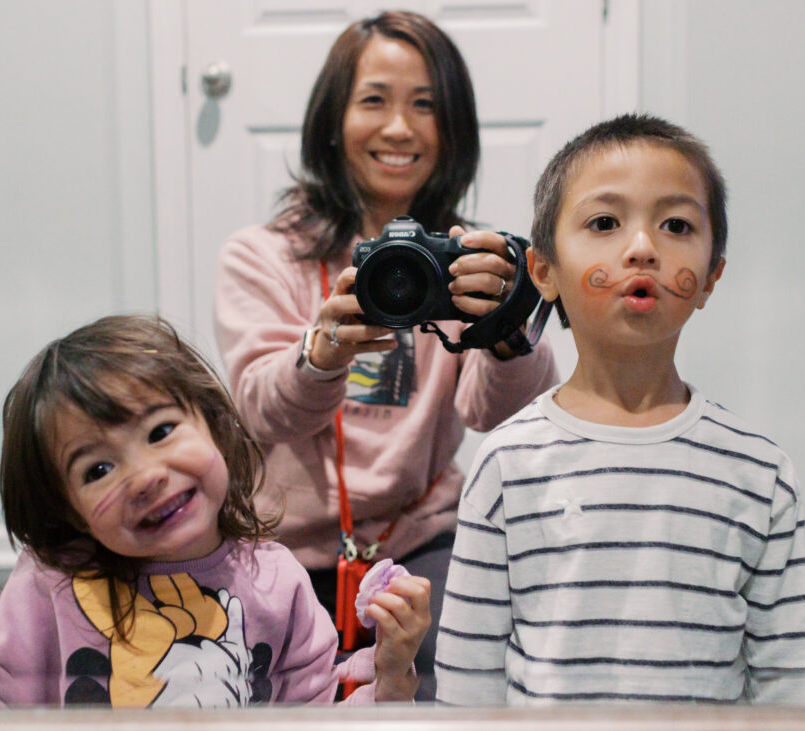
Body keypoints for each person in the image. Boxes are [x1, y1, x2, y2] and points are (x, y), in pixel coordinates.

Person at [434, 113, 805, 705]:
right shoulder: (507, 464)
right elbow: (469, 682)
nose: (643, 247)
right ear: (543, 271)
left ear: (709, 278)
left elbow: (797, 685)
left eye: (676, 224)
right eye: (605, 222)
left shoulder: (760, 475)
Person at [214, 10, 560, 700]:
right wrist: (324, 349)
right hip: (284, 541)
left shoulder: (466, 257)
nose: (400, 128)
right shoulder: (263, 253)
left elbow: (498, 414)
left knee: (466, 679)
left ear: (453, 128)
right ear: (333, 120)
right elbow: (261, 409)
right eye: (374, 100)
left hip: (420, 532)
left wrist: (508, 322)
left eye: (425, 105)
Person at [0, 314, 430, 708]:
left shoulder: (277, 582)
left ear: (214, 423)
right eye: (97, 469)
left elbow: (316, 713)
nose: (145, 476)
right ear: (69, 511)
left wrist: (393, 670)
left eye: (160, 430)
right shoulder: (53, 584)